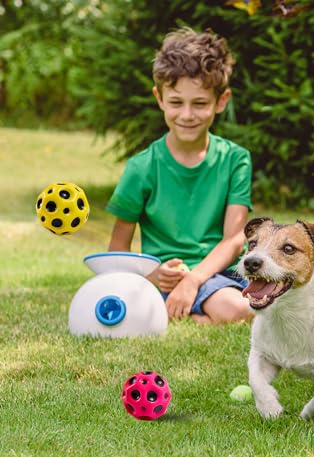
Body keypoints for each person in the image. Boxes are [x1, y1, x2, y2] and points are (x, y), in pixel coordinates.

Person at [106, 27, 253, 325]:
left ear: (221, 101)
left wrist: (193, 280)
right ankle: (172, 310)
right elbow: (117, 249)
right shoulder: (141, 167)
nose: (187, 115)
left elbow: (234, 240)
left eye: (199, 103)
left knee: (237, 308)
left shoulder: (236, 159)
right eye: (176, 102)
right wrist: (154, 275)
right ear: (159, 98)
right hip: (161, 278)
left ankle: (169, 314)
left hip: (216, 274)